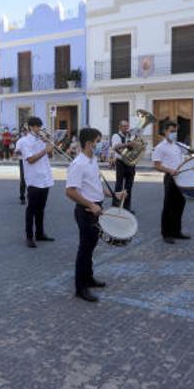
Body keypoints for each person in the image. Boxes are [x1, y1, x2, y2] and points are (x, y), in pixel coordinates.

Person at [65, 127, 125, 303]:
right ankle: (80, 288)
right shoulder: (79, 164)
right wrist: (91, 204)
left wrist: (114, 194)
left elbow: (95, 187)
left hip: (95, 208)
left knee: (91, 247)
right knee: (84, 249)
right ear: (89, 144)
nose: (101, 145)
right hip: (86, 211)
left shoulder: (92, 161)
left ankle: (89, 278)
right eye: (98, 142)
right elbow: (70, 191)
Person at [152, 120, 194, 244]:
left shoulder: (178, 145)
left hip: (181, 178)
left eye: (175, 131)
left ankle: (176, 231)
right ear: (165, 132)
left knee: (180, 205)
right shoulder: (160, 147)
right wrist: (170, 170)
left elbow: (192, 151)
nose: (174, 134)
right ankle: (166, 234)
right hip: (170, 178)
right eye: (171, 131)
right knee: (169, 206)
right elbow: (157, 165)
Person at [17, 117, 55, 247]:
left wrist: (50, 145)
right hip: (33, 179)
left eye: (40, 126)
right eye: (37, 127)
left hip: (45, 178)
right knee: (31, 210)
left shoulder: (42, 139)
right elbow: (31, 159)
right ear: (31, 127)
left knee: (41, 209)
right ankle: (29, 236)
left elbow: (50, 156)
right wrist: (45, 150)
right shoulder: (24, 141)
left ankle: (40, 233)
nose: (39, 129)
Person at [110, 120, 136, 212]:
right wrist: (128, 144)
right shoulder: (116, 136)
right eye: (124, 126)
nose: (126, 128)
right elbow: (116, 147)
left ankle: (126, 208)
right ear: (120, 127)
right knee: (119, 185)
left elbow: (135, 148)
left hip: (131, 163)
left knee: (129, 186)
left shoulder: (130, 136)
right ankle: (116, 206)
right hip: (120, 162)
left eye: (127, 126)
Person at [13, 129, 26, 205]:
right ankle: (22, 196)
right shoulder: (20, 141)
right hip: (23, 161)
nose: (26, 132)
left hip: (33, 161)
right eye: (24, 131)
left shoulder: (34, 139)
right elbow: (16, 151)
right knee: (23, 179)